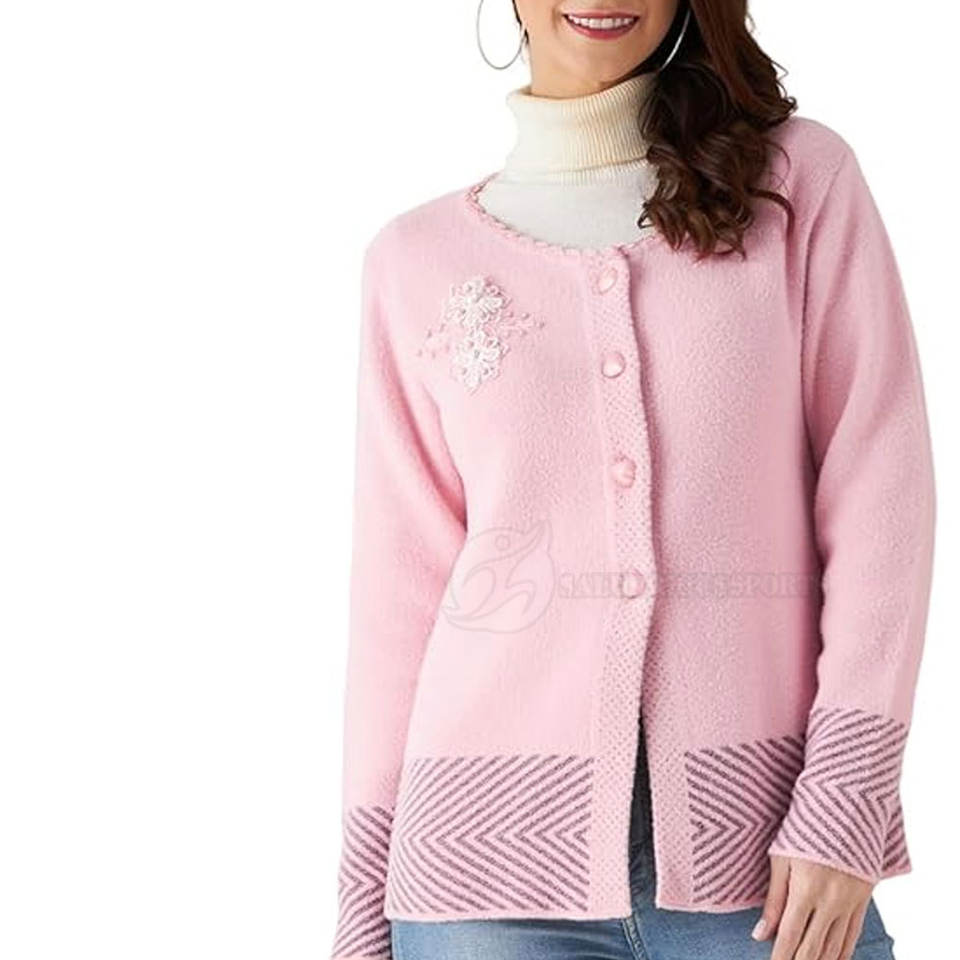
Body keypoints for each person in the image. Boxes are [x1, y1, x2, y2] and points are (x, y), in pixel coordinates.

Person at [331, 3, 936, 959]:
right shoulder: (413, 262)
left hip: (771, 868)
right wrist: (364, 913)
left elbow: (881, 497)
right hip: (475, 895)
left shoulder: (794, 185)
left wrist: (847, 798)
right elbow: (397, 603)